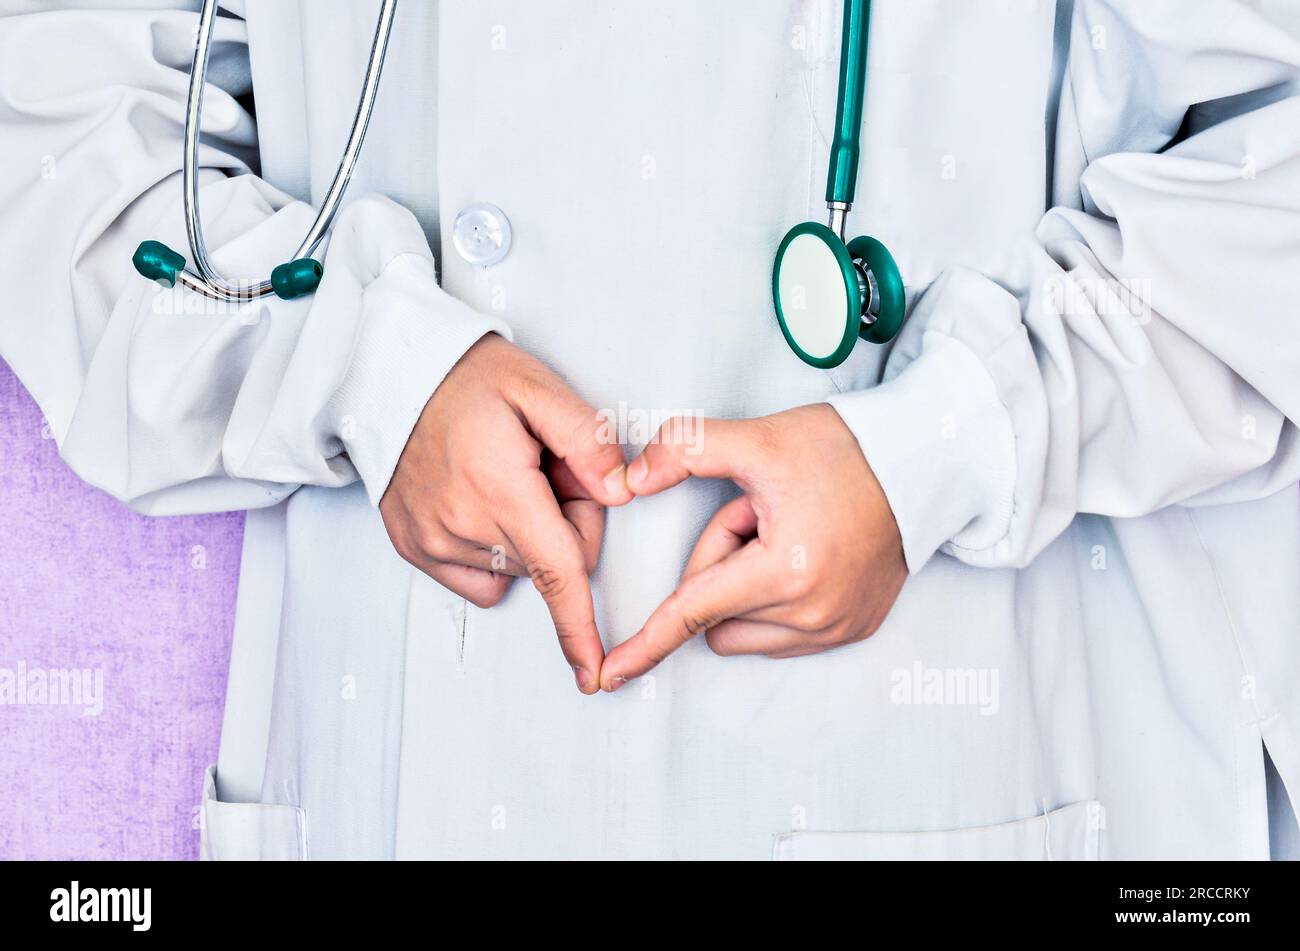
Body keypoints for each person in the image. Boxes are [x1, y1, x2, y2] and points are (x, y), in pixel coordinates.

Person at [1, 0, 1297, 860]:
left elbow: (1272, 151)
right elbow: (55, 111)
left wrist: (955, 440)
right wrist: (359, 365)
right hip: (420, 753)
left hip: (956, 732)